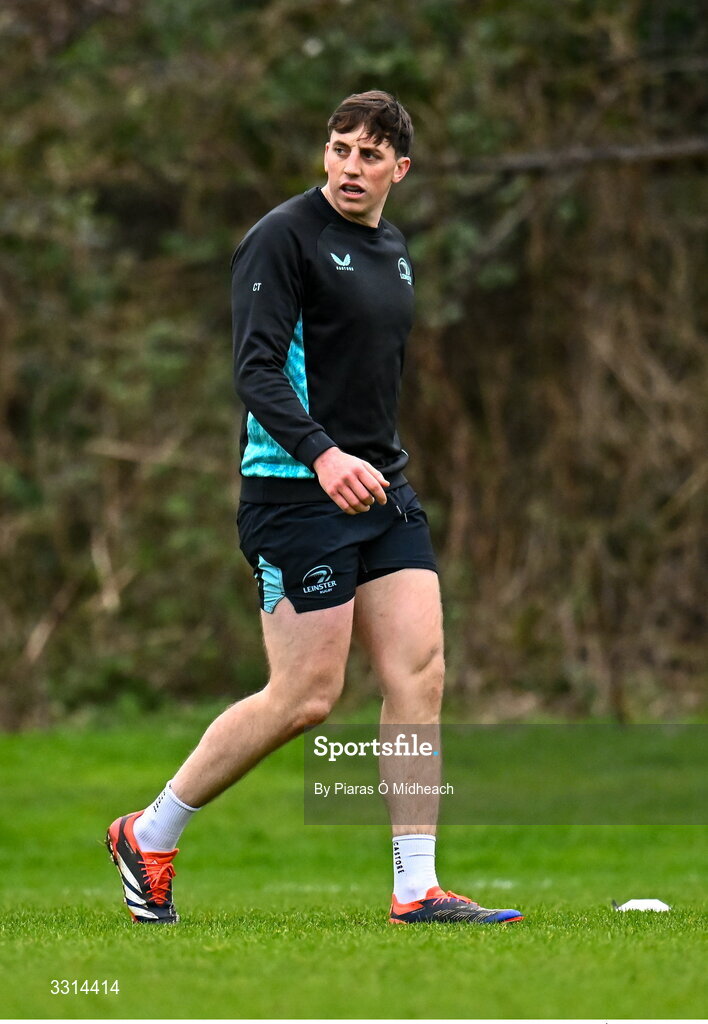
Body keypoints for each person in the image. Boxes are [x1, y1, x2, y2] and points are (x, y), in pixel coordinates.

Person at [106, 90, 523, 927]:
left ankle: (416, 888)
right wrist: (323, 455)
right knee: (305, 696)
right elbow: (256, 372)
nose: (350, 167)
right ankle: (149, 831)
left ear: (399, 170)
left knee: (420, 673)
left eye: (370, 156)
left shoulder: (393, 248)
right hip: (295, 493)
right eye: (339, 149)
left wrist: (367, 463)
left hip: (380, 490)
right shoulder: (281, 238)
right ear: (324, 151)